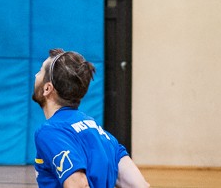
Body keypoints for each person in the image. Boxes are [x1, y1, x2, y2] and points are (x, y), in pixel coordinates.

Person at [32, 48, 150, 188]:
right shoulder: (98, 131)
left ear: (47, 88)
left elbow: (79, 185)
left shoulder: (50, 131)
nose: (36, 75)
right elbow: (139, 185)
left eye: (40, 71)